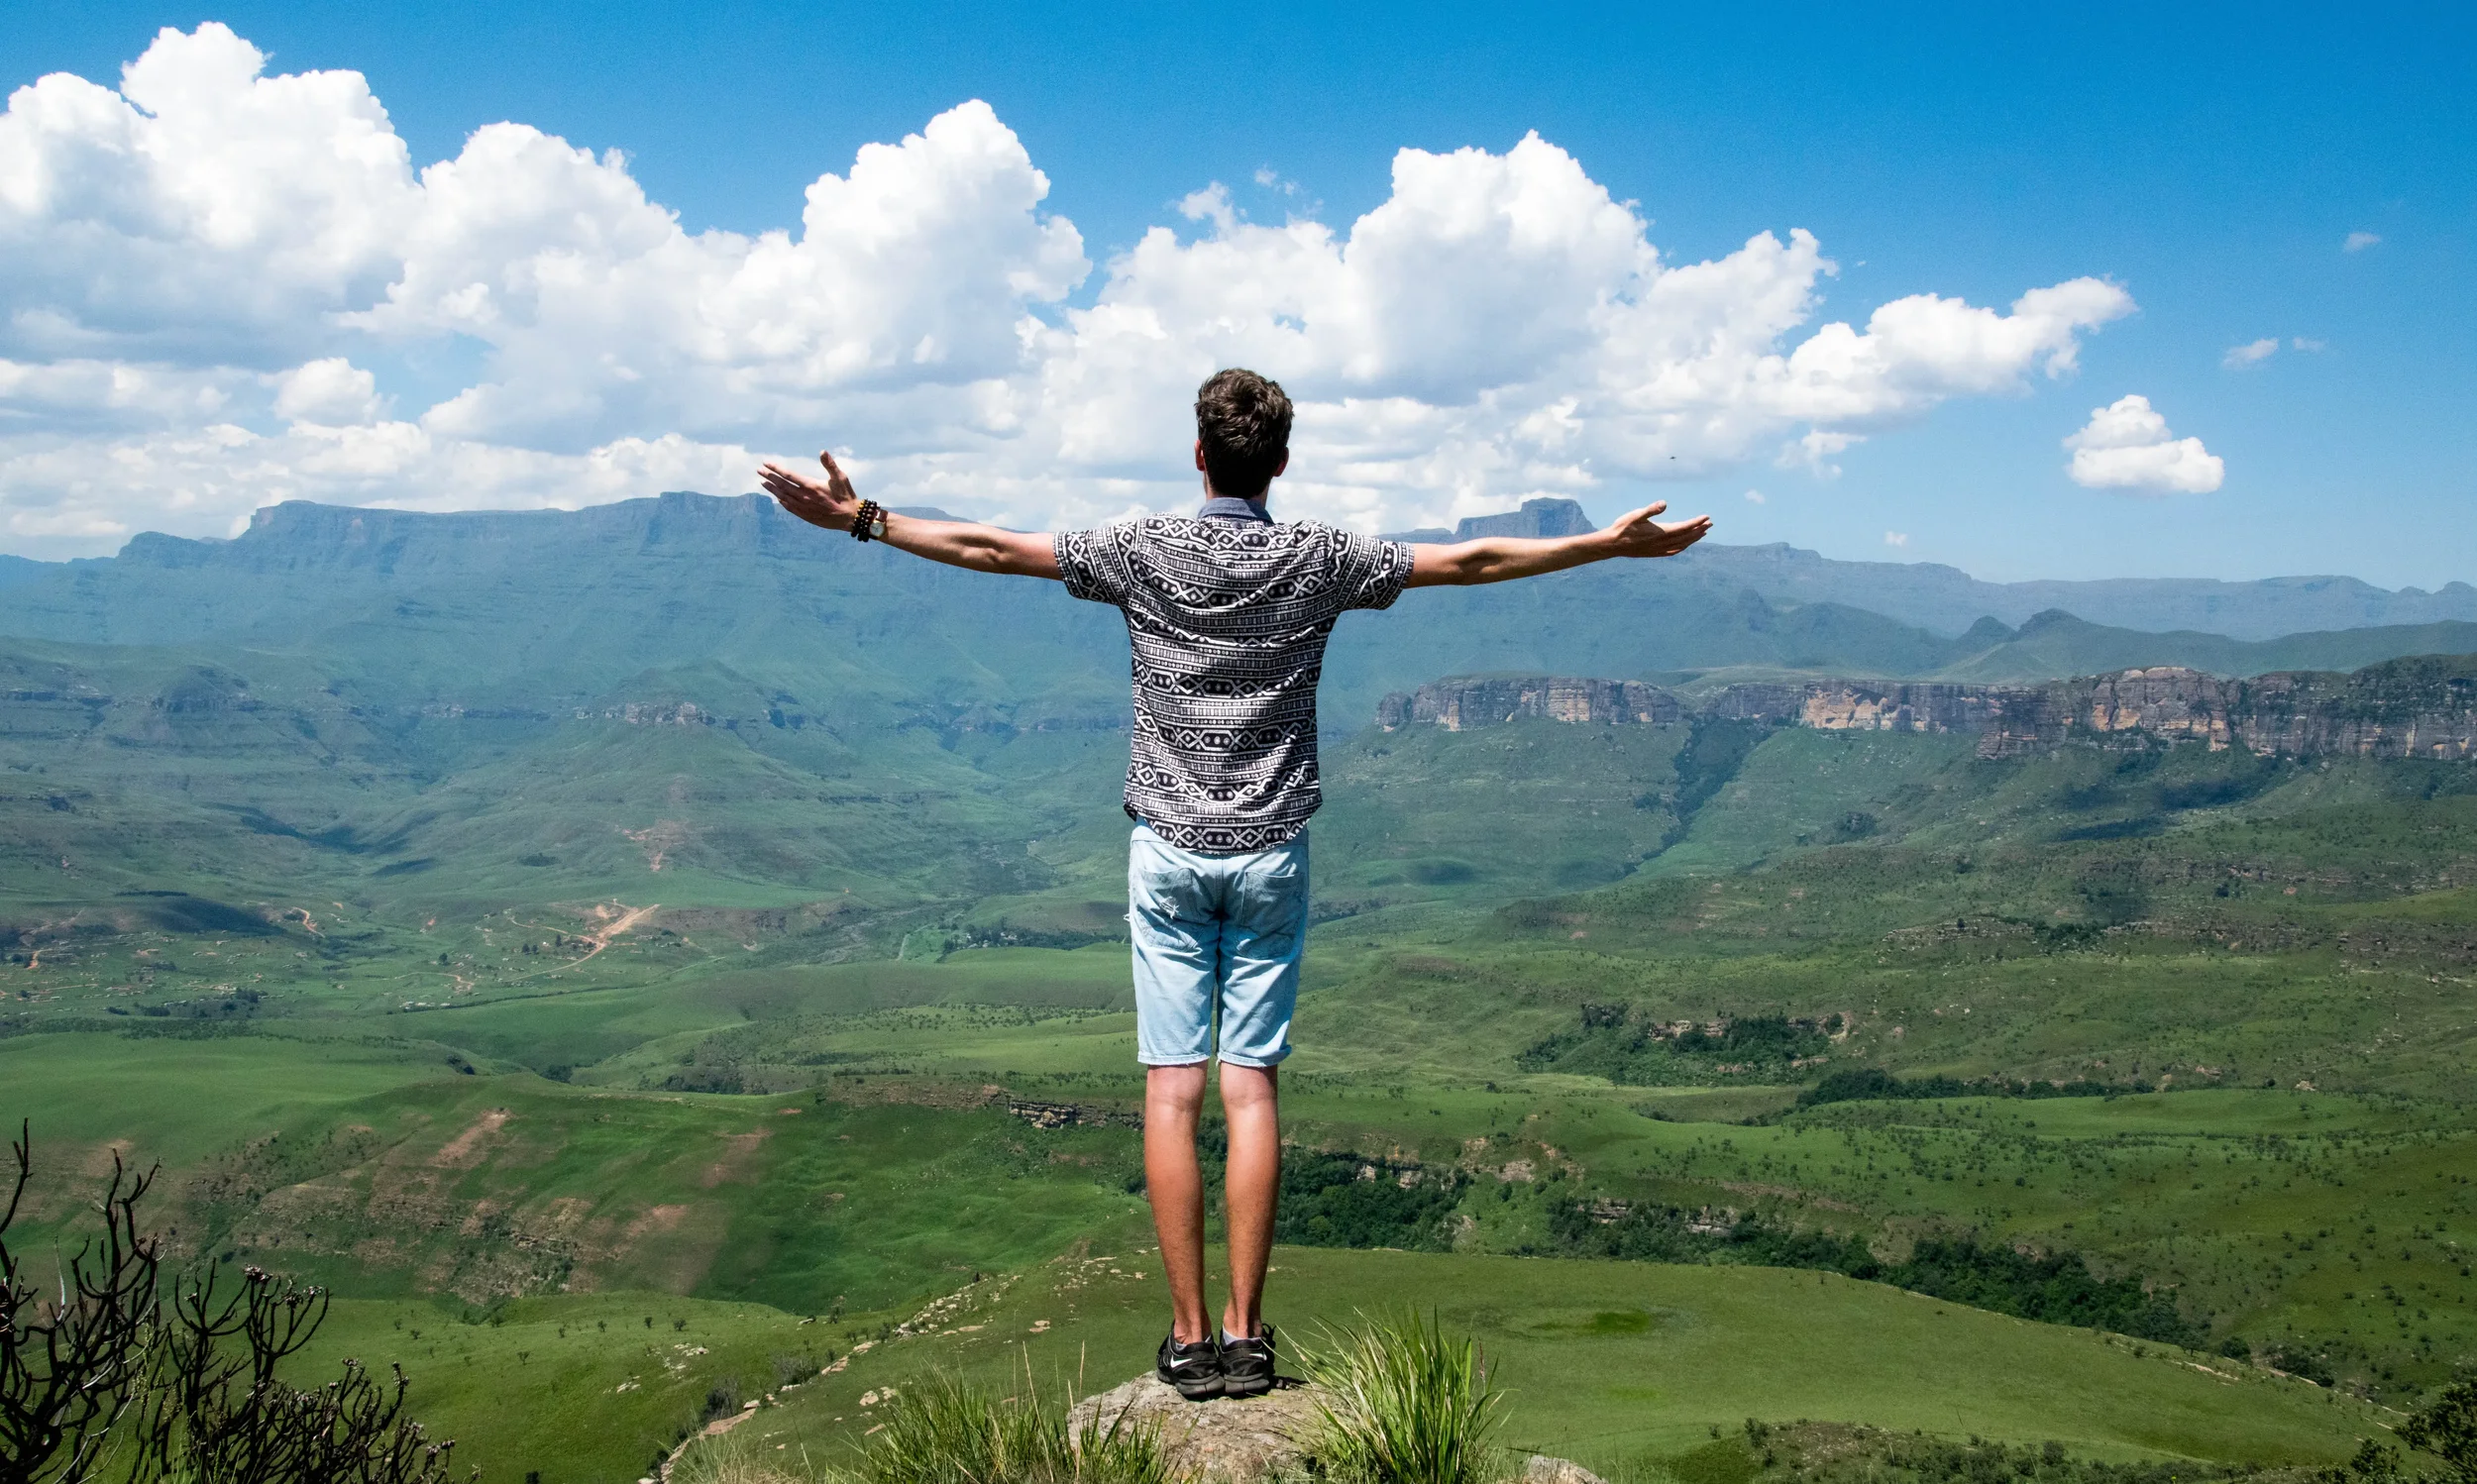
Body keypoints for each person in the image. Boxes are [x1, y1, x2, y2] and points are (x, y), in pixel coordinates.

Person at [757, 369, 1711, 1402]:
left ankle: (1186, 1338)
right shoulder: (1321, 557)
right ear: (1281, 463)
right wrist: (1608, 544)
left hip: (1165, 850)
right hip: (1270, 853)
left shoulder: (1141, 548)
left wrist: (863, 519)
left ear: (1199, 454)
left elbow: (991, 548)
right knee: (1248, 1085)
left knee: (1172, 1089)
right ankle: (1248, 1338)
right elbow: (1472, 558)